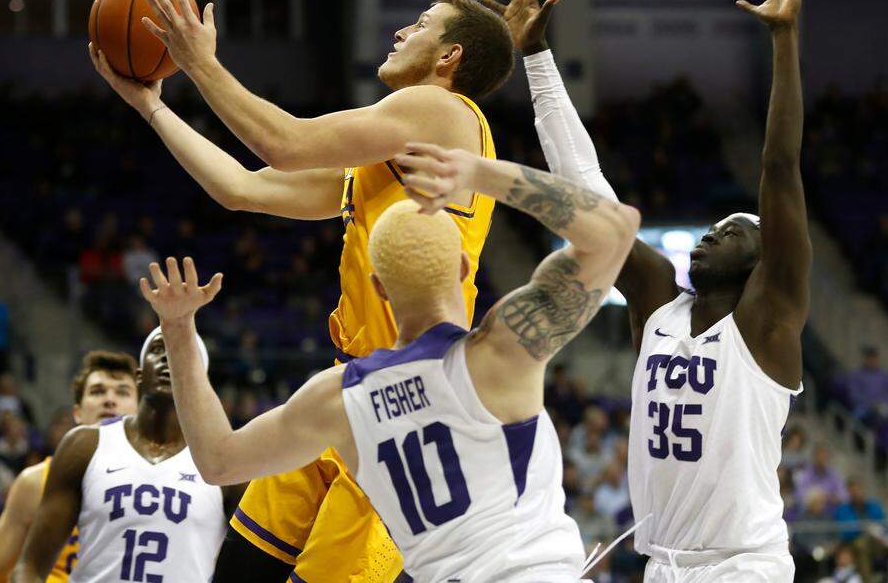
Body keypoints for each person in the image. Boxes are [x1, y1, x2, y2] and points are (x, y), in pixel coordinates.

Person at [90, 0, 514, 583]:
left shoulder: (443, 111)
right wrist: (151, 105)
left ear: (449, 58)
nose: (401, 32)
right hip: (351, 389)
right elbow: (245, 189)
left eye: (420, 24)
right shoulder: (390, 160)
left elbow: (286, 144)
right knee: (240, 568)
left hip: (411, 412)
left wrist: (199, 62)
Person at [141, 144, 639, 581]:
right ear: (465, 268)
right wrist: (479, 173)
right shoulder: (503, 353)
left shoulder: (338, 396)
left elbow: (217, 460)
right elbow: (616, 229)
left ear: (378, 287)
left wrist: (180, 329)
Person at [487, 0, 825, 582]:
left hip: (741, 567)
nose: (706, 239)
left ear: (760, 263)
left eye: (728, 234)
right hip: (660, 565)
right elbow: (584, 193)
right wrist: (536, 60)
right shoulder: (657, 304)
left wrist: (783, 39)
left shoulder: (768, 321)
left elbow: (779, 169)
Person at [11, 336, 226, 583]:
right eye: (158, 349)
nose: (170, 356)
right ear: (139, 374)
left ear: (204, 379)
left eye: (185, 350)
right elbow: (30, 566)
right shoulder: (84, 445)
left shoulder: (225, 463)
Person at [0, 352, 140, 583]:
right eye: (98, 391)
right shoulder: (35, 482)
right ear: (77, 412)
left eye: (122, 392)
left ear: (140, 412)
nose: (109, 400)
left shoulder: (157, 483)